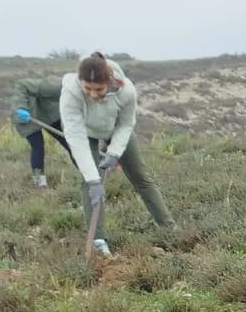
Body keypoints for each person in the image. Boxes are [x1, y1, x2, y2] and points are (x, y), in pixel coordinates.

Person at [59, 52, 174, 256]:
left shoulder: (126, 91)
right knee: (90, 184)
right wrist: (94, 179)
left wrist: (114, 153)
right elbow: (75, 137)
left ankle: (169, 228)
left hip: (116, 129)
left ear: (109, 82)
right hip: (87, 133)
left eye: (99, 89)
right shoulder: (71, 91)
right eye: (88, 89)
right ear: (80, 82)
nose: (93, 95)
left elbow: (126, 124)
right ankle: (99, 241)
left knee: (141, 178)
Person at [11, 76, 72, 188]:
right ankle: (40, 183)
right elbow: (21, 85)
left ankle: (88, 174)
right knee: (38, 147)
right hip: (26, 116)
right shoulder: (56, 86)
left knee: (70, 143)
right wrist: (21, 107)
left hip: (48, 113)